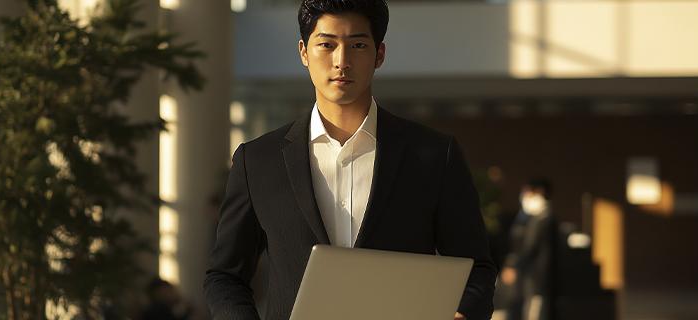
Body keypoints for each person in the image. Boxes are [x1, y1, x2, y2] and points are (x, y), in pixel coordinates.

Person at [203, 1, 497, 319]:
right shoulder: (258, 160)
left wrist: (463, 314)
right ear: (304, 52)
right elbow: (225, 277)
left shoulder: (433, 155)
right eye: (327, 45)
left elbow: (477, 269)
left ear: (379, 54)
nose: (341, 61)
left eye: (357, 45)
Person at [501, 179, 556, 320]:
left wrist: (513, 266)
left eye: (528, 192)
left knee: (534, 312)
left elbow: (530, 246)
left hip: (537, 280)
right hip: (532, 281)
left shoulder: (543, 218)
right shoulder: (532, 218)